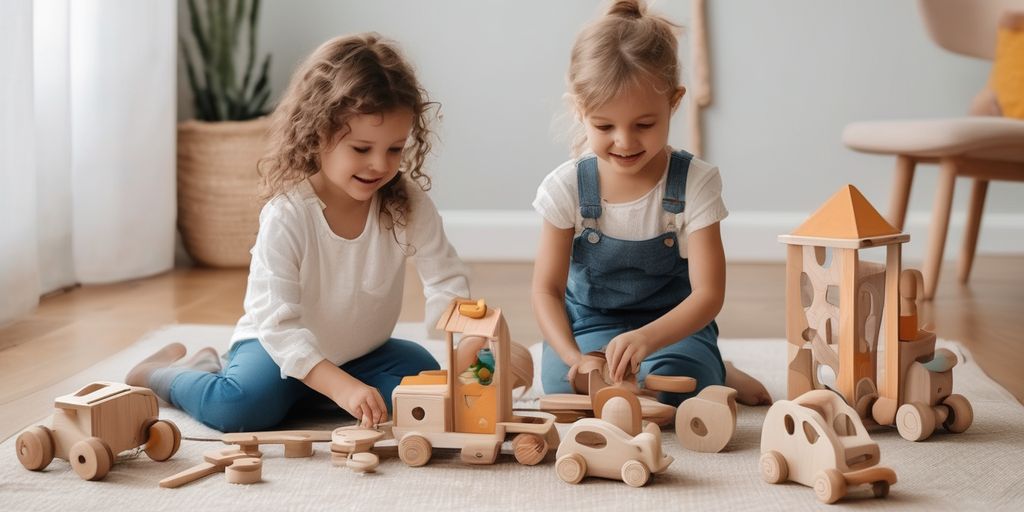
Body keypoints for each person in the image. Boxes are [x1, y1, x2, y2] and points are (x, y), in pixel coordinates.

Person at [127, 33, 470, 431]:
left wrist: (467, 342)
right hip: (275, 350)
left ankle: (307, 395)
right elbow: (277, 325)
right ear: (318, 132)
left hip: (360, 353)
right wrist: (341, 388)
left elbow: (445, 280)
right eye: (361, 149)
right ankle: (162, 374)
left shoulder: (405, 203)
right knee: (237, 409)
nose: (380, 164)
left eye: (394, 149)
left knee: (422, 378)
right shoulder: (288, 213)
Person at [532, 0, 771, 406]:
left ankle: (714, 364)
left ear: (674, 103)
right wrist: (575, 358)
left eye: (644, 125)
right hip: (591, 324)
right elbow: (546, 290)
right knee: (564, 385)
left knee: (678, 385)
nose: (625, 142)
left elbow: (708, 295)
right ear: (579, 110)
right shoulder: (566, 186)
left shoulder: (695, 183)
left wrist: (647, 337)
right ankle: (685, 368)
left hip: (672, 326)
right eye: (605, 126)